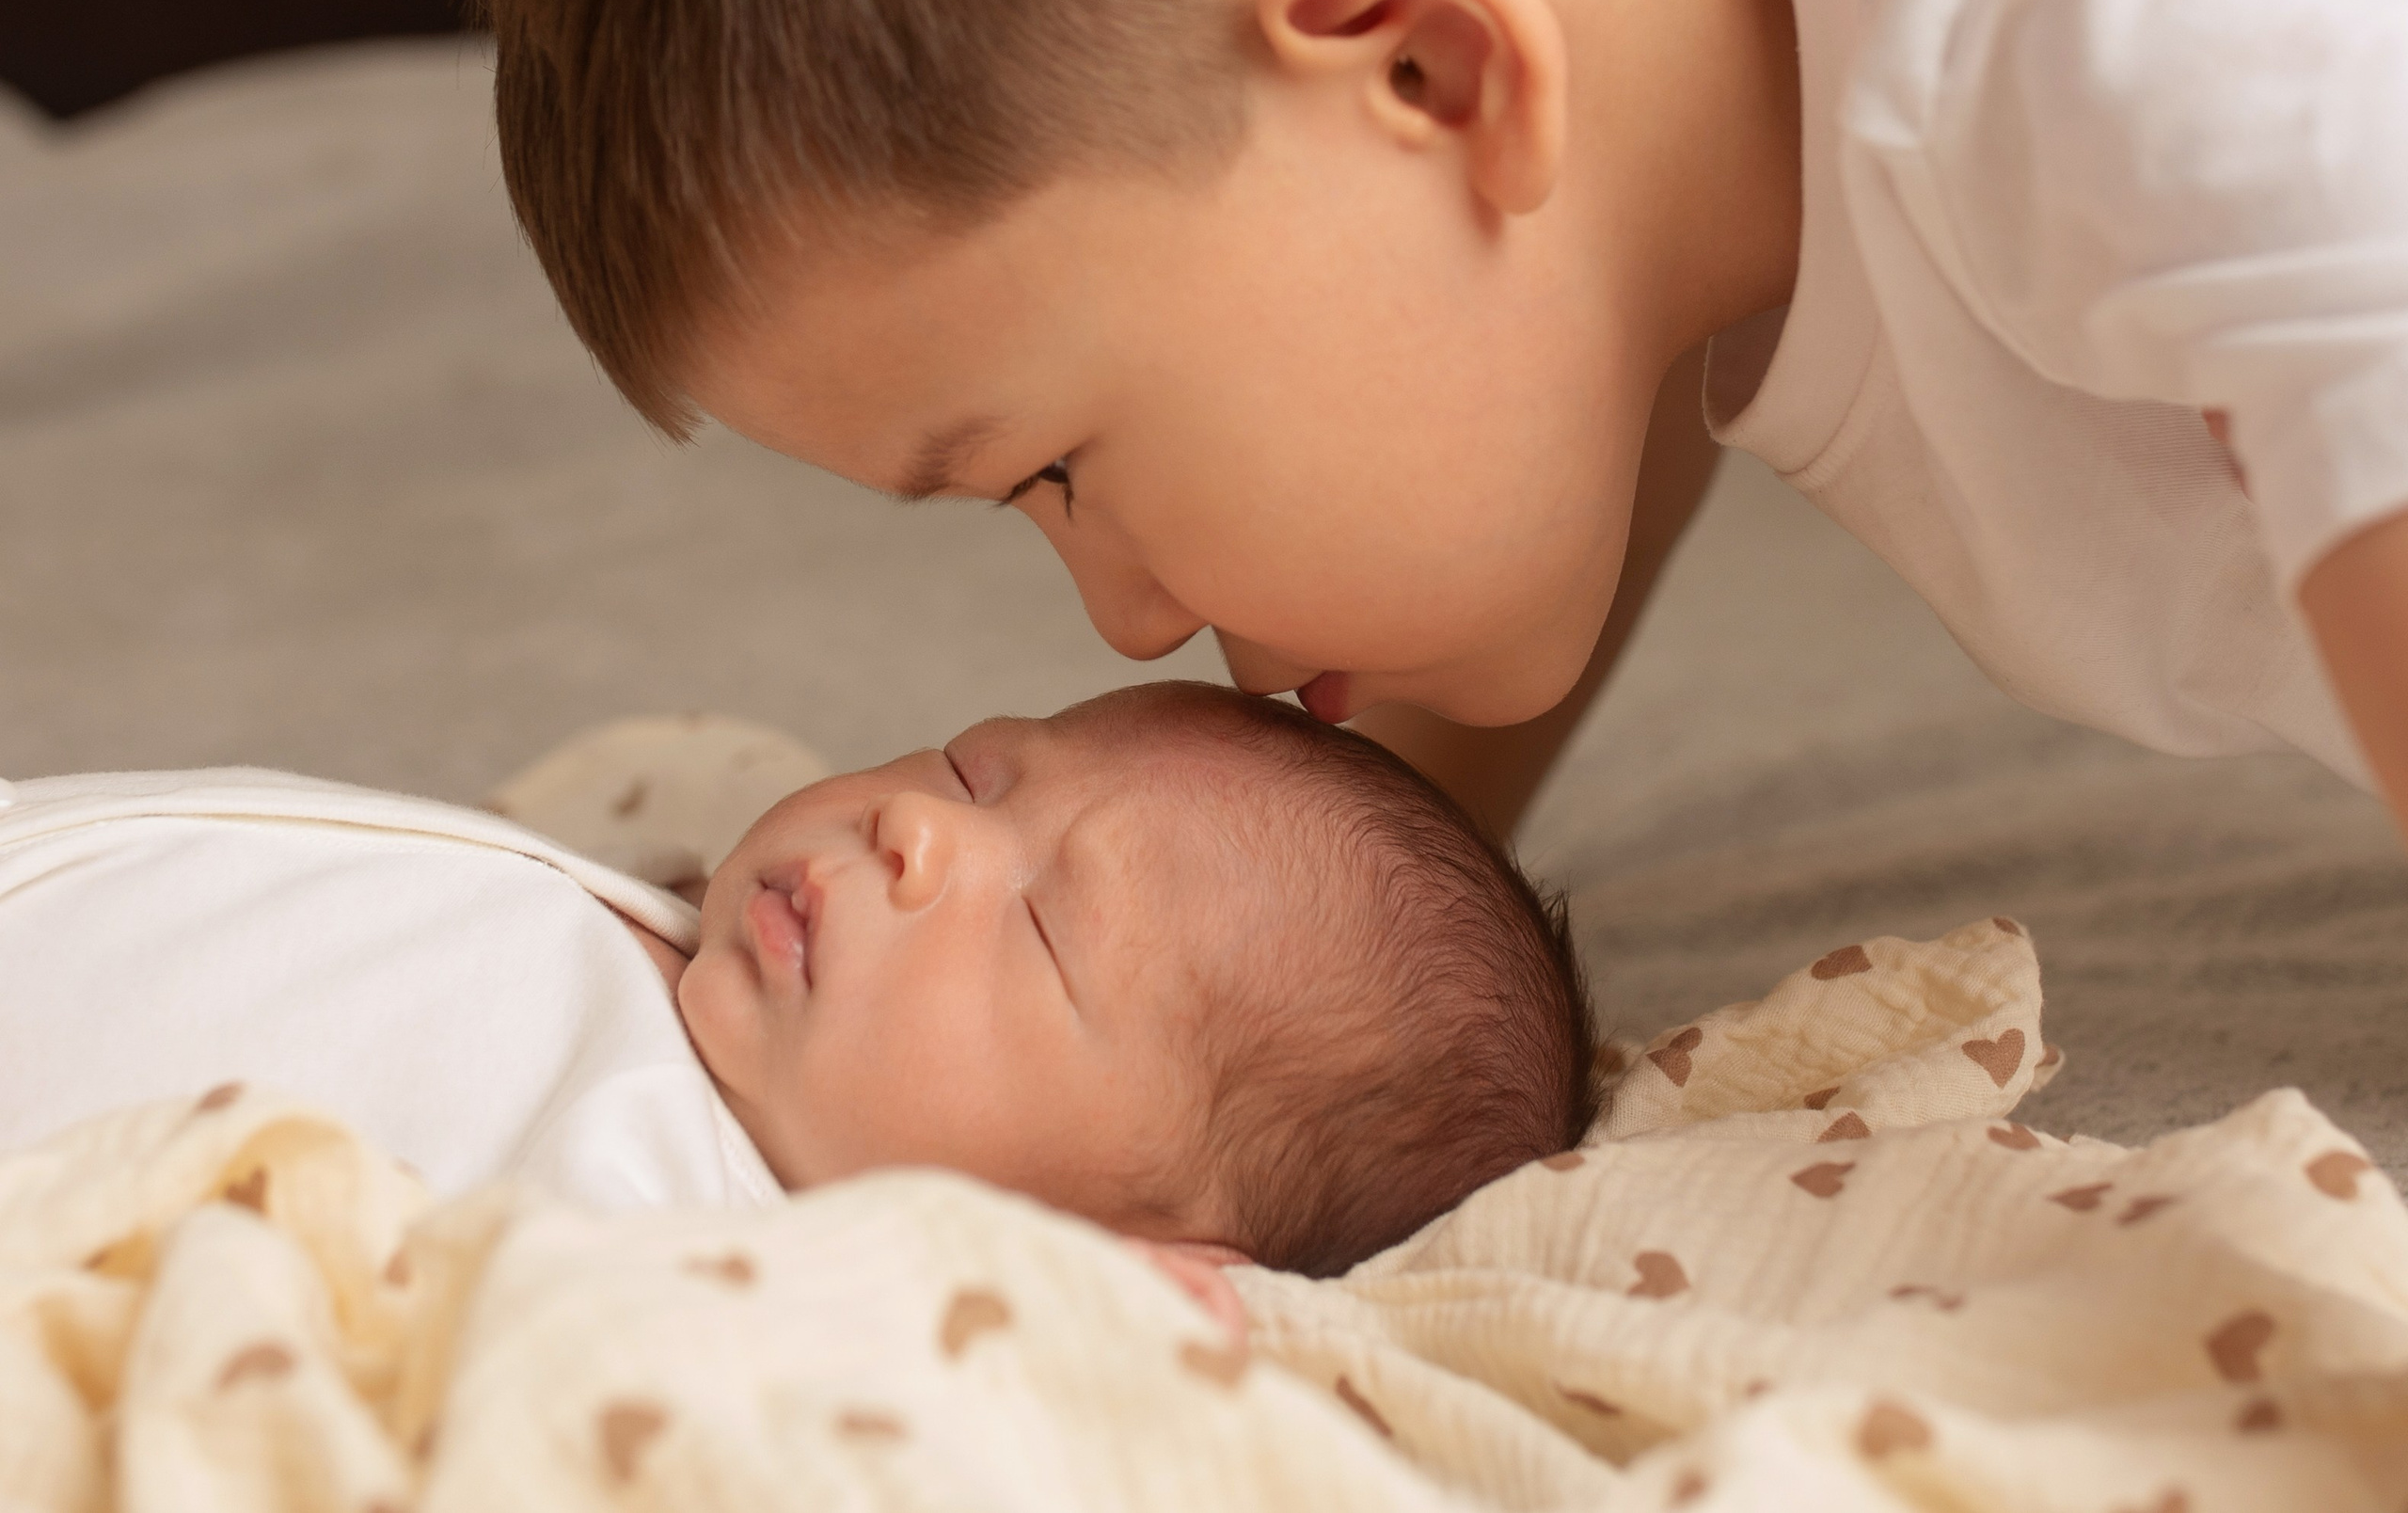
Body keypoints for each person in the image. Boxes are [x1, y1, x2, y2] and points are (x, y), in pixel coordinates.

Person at [473, 0, 2408, 847]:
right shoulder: (1720, 156)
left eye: (1055, 470)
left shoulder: (2139, 25)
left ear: (1423, 68)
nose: (1130, 619)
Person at [0, 683, 1597, 1281]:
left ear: (1116, 1260)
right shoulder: (687, 956)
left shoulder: (676, 1256)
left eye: (1041, 933)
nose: (919, 832)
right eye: (980, 771)